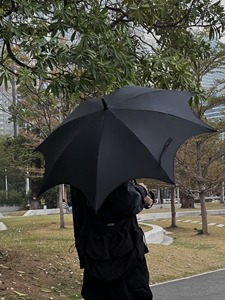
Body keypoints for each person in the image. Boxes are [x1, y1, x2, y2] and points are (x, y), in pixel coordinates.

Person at [71, 180, 154, 300]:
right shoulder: (112, 169)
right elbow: (128, 202)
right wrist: (141, 190)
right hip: (125, 257)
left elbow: (79, 216)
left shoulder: (79, 173)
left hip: (93, 255)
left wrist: (84, 255)